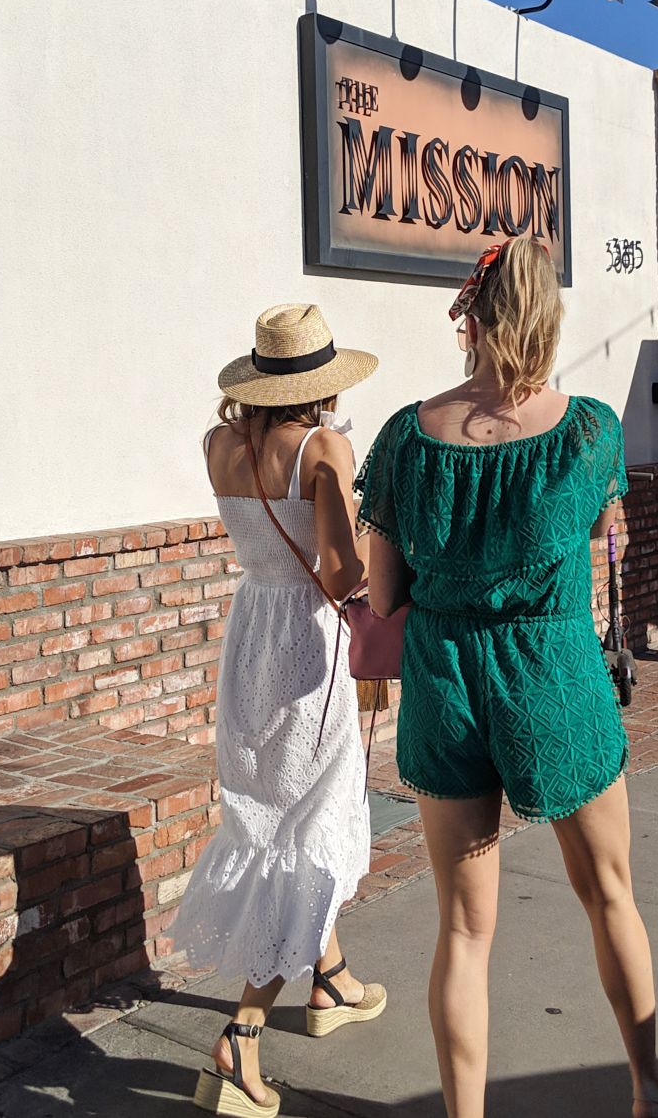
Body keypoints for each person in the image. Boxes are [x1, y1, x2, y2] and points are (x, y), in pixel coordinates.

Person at [355, 239, 658, 1118]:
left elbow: (383, 592)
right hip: (552, 674)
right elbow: (599, 537)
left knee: (464, 932)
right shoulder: (586, 432)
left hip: (444, 682)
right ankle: (646, 1086)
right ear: (547, 314)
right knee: (609, 890)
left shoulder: (402, 438)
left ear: (474, 315)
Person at [174, 303, 387, 1118]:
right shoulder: (326, 448)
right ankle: (244, 1033)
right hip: (308, 648)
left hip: (250, 635)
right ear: (322, 384)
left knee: (269, 813)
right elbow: (340, 575)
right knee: (310, 829)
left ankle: (330, 982)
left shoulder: (218, 445)